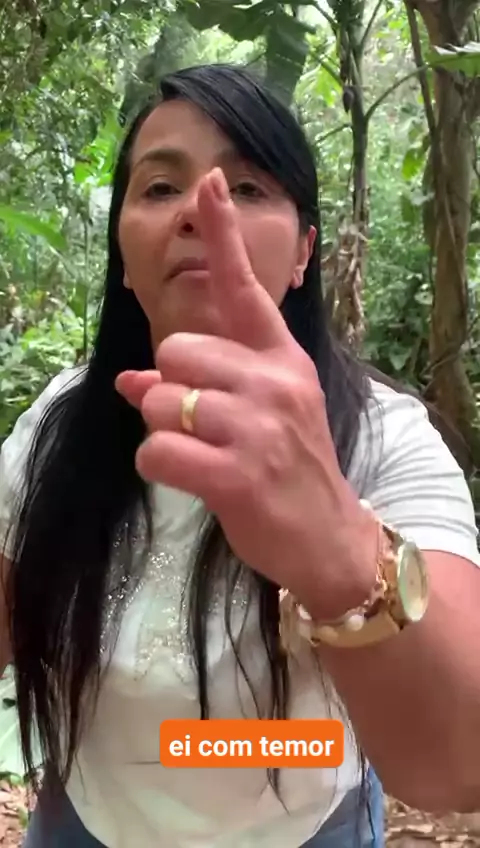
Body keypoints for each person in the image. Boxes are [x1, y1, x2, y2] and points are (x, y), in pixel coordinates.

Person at [0, 63, 479, 848]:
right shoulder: (61, 423)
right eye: (161, 187)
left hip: (301, 829)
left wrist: (336, 545)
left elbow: (457, 765)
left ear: (303, 252)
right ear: (123, 252)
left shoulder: (388, 440)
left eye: (248, 187)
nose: (202, 209)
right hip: (81, 820)